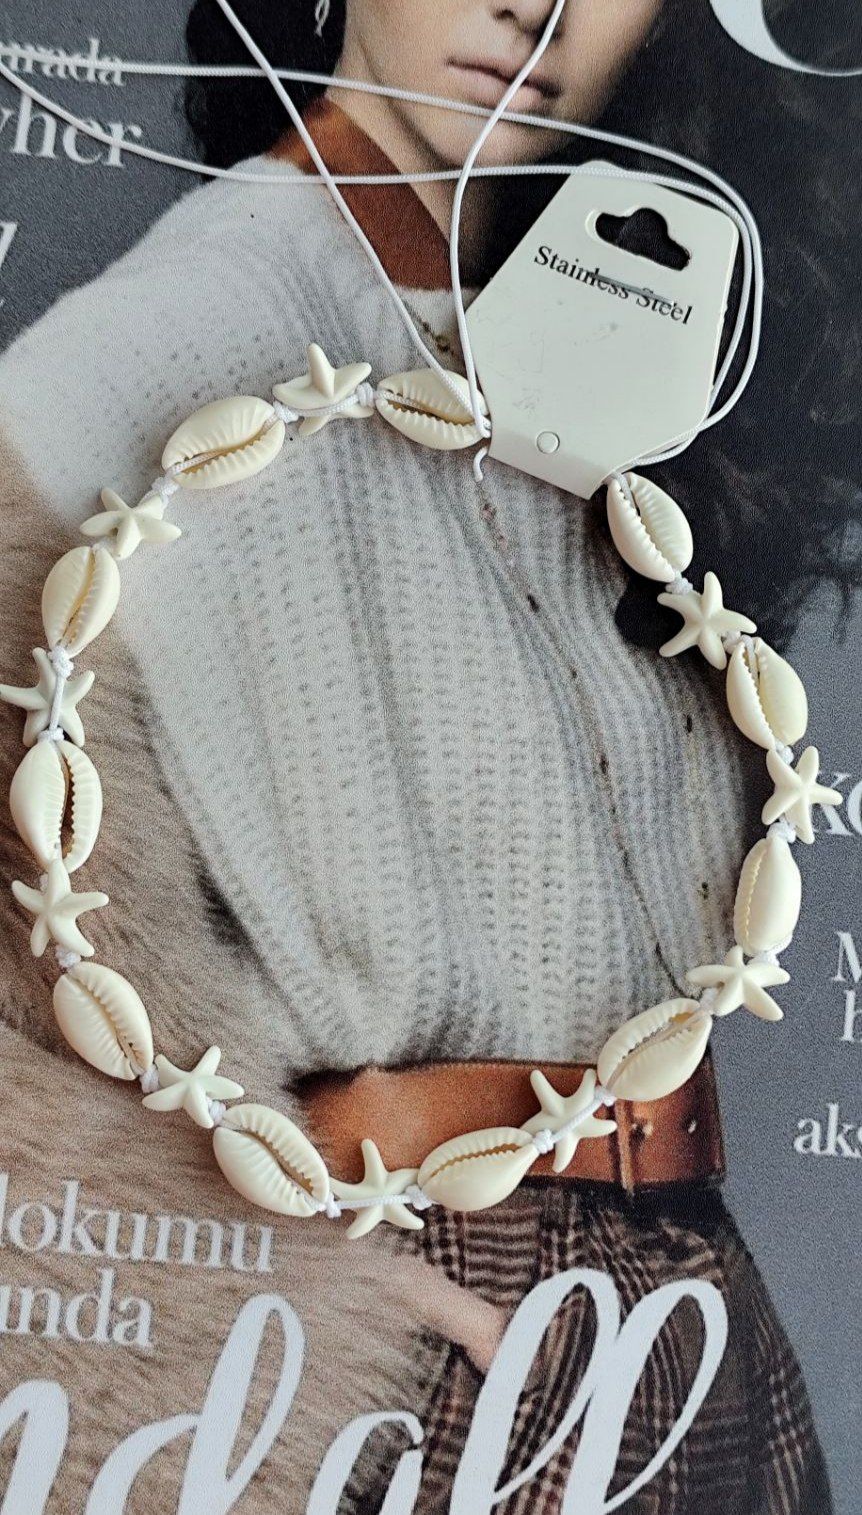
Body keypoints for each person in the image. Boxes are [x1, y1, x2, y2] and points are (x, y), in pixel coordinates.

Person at [0, 0, 850, 1508]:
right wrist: (286, 1299)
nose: (533, 7)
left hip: (695, 1290)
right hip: (427, 1334)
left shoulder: (614, 338)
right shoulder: (127, 362)